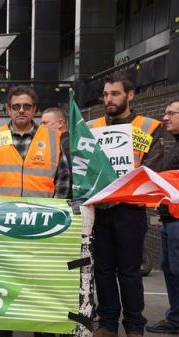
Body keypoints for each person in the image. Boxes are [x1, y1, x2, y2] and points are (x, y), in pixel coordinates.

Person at [0, 86, 69, 337]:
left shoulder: (52, 138)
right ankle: (4, 326)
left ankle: (40, 326)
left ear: (34, 110)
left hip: (42, 224)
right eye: (16, 106)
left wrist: (55, 216)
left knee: (39, 279)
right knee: (5, 278)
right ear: (8, 109)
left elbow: (63, 180)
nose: (21, 110)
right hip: (4, 224)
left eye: (26, 106)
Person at [87, 74, 164, 337]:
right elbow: (82, 163)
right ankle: (107, 323)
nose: (109, 99)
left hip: (130, 210)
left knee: (129, 272)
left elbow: (151, 169)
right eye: (106, 94)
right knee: (103, 270)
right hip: (100, 209)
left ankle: (134, 326)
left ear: (130, 95)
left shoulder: (149, 126)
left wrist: (121, 189)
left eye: (115, 94)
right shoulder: (92, 126)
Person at [146, 99, 179, 335]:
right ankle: (175, 318)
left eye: (171, 113)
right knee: (169, 268)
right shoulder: (174, 144)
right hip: (169, 219)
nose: (165, 117)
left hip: (177, 220)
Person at [40, 107, 71, 198]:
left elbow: (68, 176)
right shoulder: (56, 142)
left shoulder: (65, 145)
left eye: (45, 123)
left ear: (60, 123)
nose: (41, 127)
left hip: (62, 201)